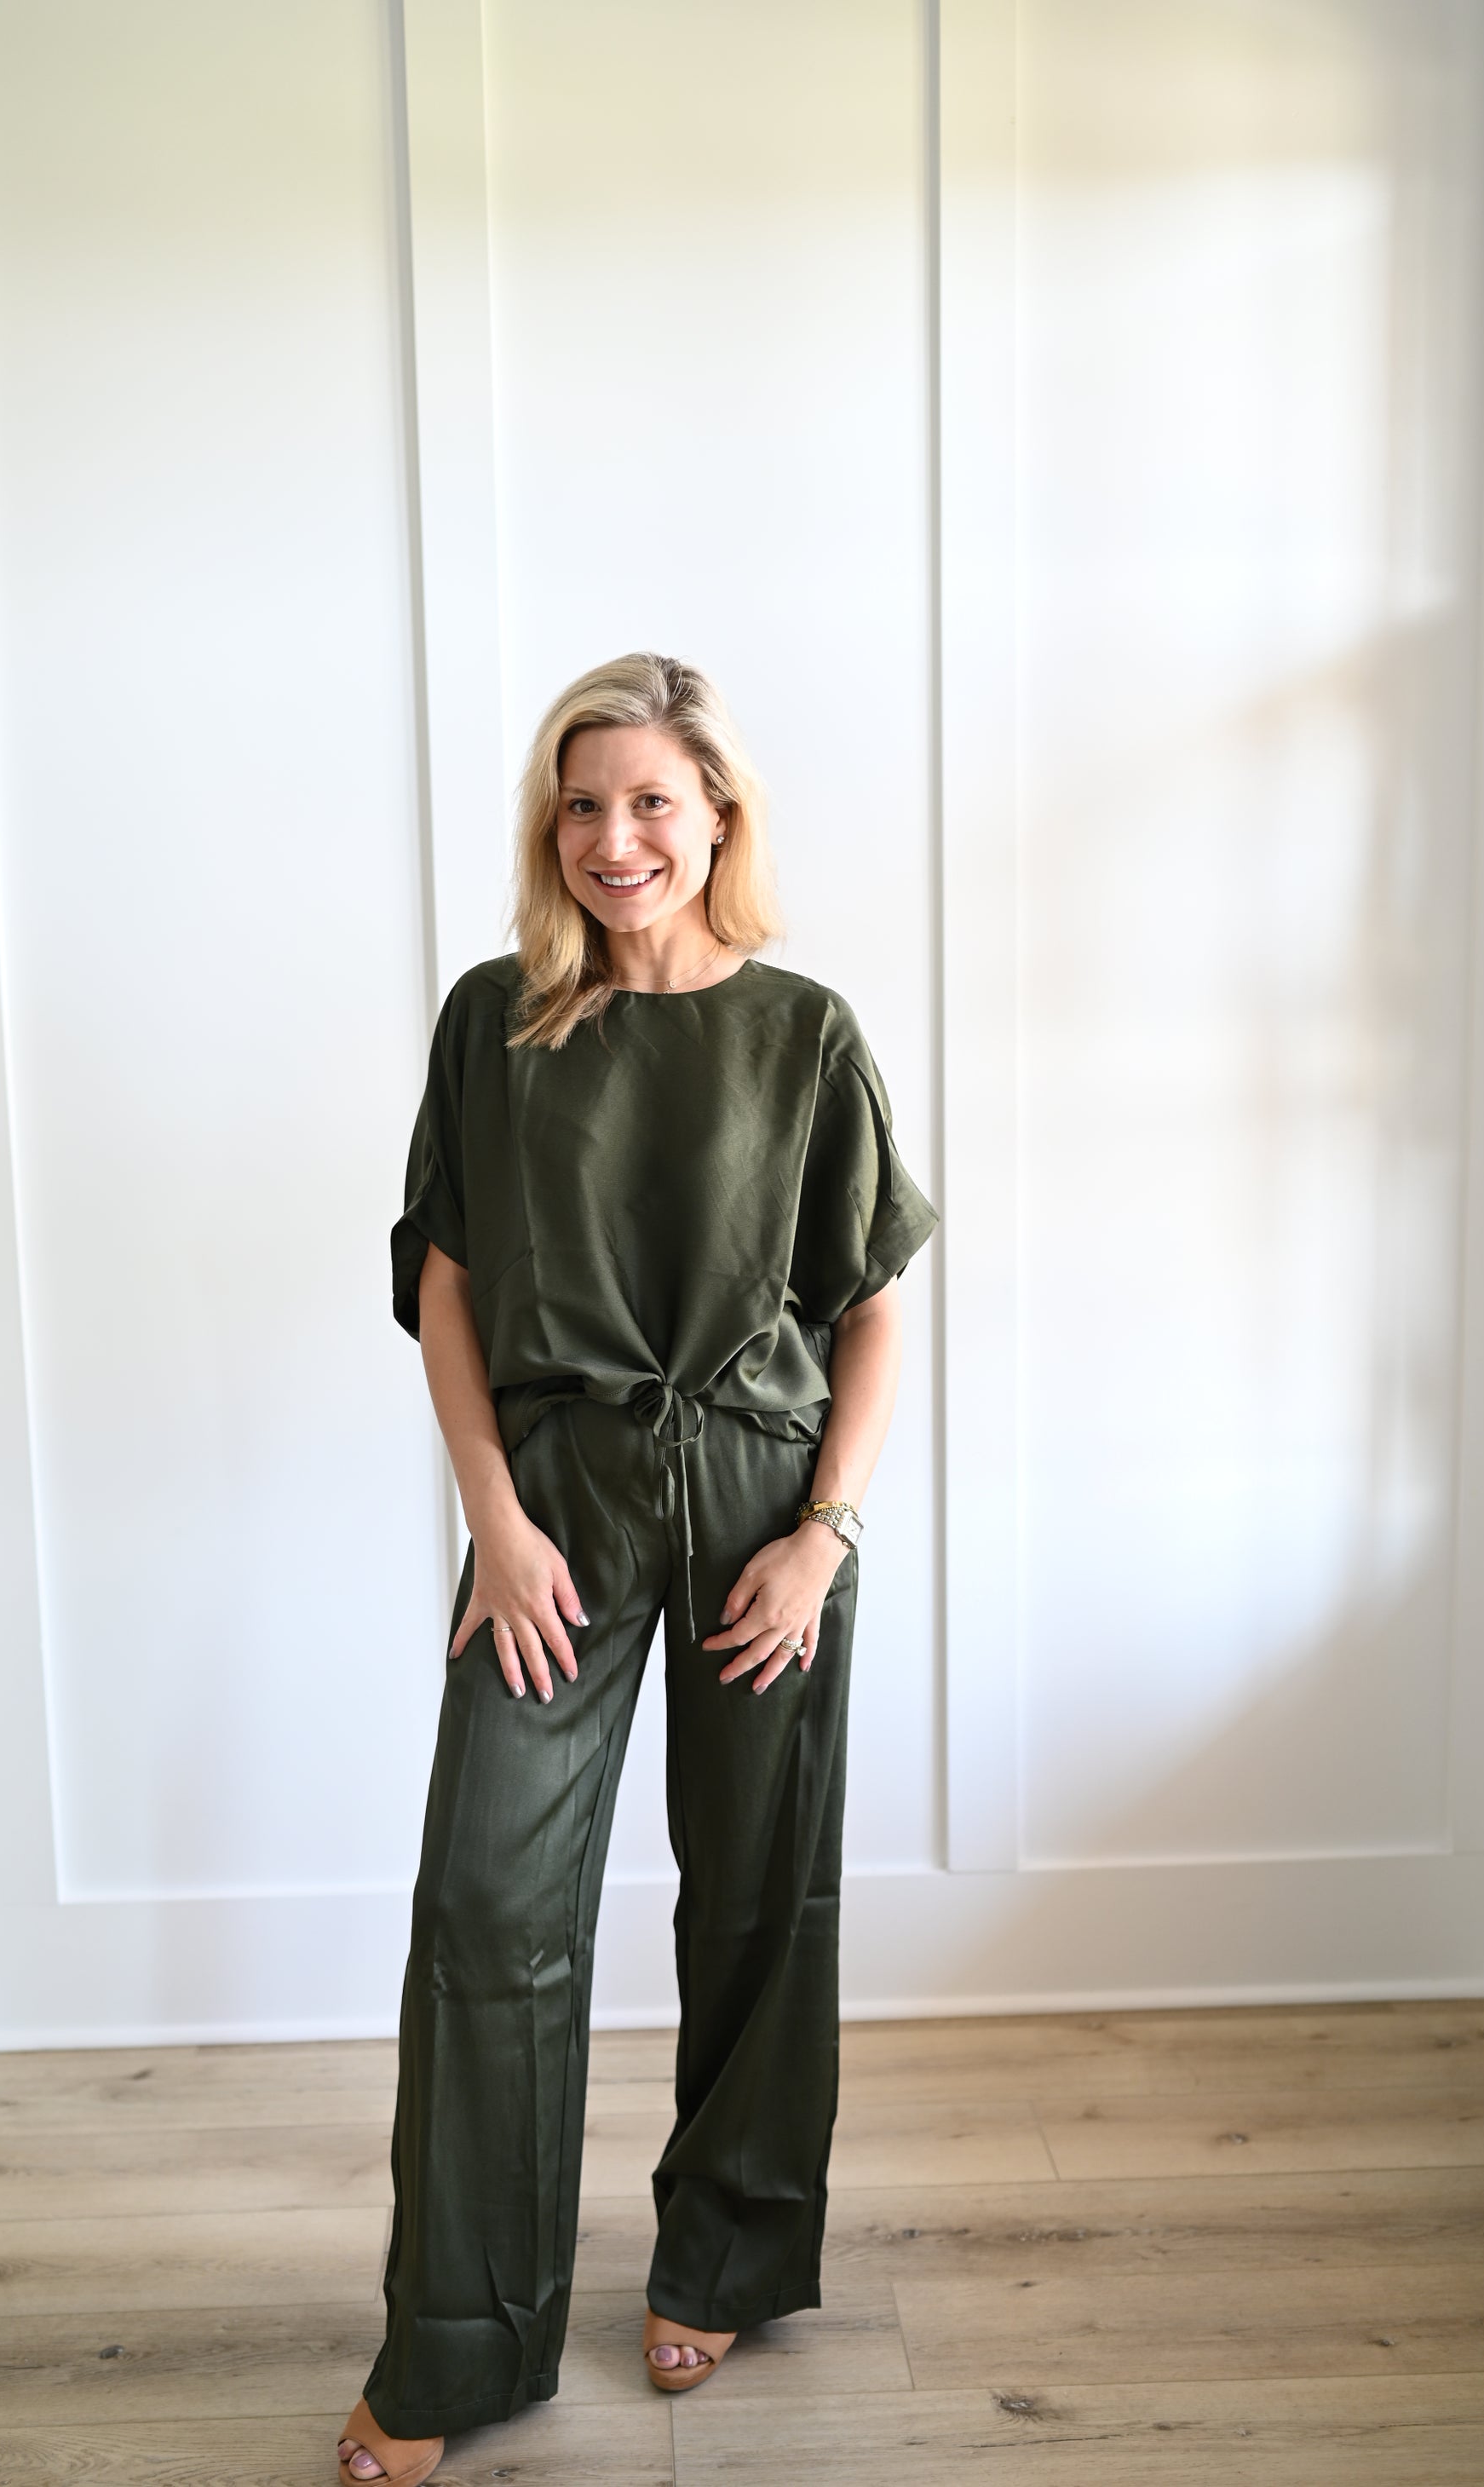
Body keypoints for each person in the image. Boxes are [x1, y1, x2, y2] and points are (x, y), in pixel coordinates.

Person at [336, 653, 936, 2484]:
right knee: (485, 1905)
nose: (615, 839)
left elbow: (869, 1305)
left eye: (651, 801)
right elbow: (445, 1285)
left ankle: (729, 2256)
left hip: (761, 1497)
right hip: (559, 1505)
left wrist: (822, 1537)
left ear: (716, 815)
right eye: (581, 804)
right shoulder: (496, 1021)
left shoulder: (804, 1032)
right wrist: (492, 1517)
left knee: (758, 1894)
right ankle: (461, 2342)